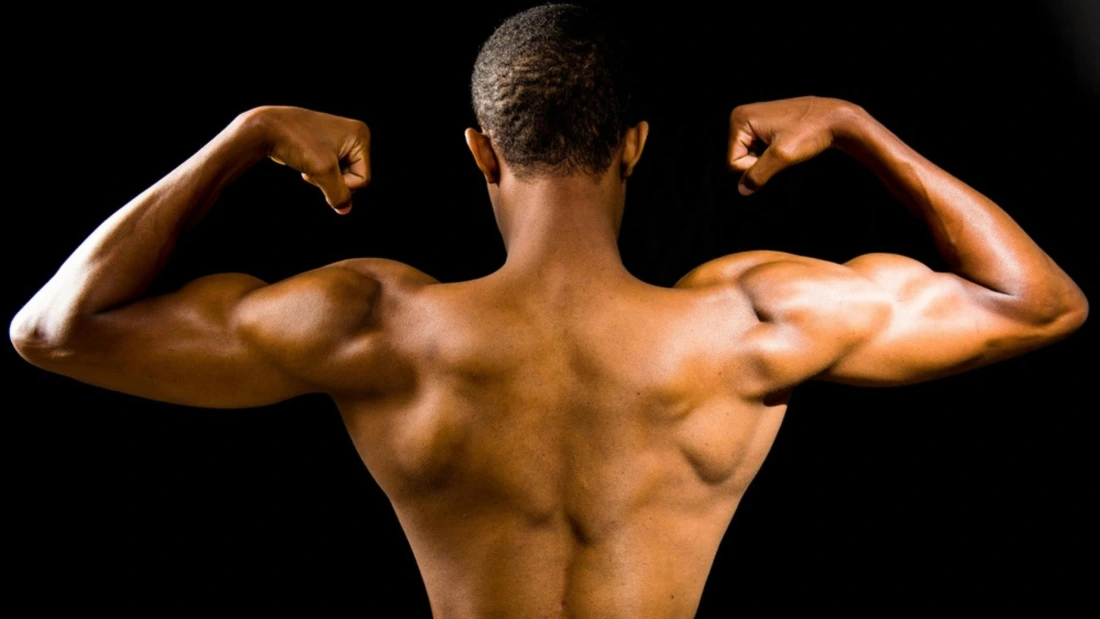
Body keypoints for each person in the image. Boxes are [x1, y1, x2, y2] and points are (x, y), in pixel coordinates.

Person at [9, 4, 1088, 617]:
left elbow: (55, 329)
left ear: (478, 154)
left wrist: (245, 136)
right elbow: (1037, 305)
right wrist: (855, 127)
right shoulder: (752, 322)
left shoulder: (378, 324)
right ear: (635, 147)